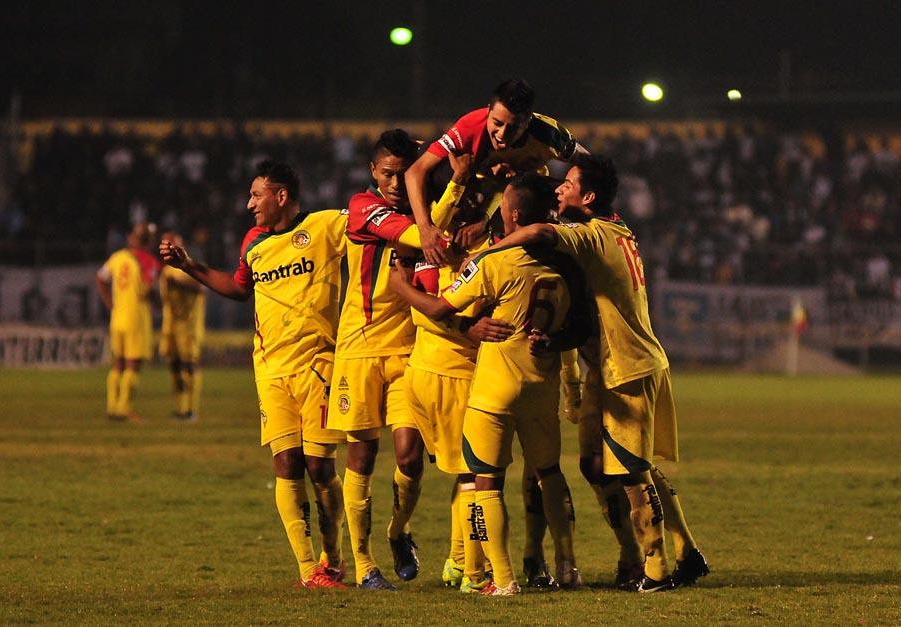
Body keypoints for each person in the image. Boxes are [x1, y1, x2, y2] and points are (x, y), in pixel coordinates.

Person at [489, 154, 709, 592]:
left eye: (567, 184)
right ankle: (685, 550)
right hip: (606, 367)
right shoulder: (616, 226)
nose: (559, 190)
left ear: (587, 197)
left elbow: (535, 230)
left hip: (628, 366)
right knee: (596, 464)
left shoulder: (592, 236)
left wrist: (483, 254)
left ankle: (657, 568)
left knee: (630, 471)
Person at [389, 173, 591, 596]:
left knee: (484, 482)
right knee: (550, 475)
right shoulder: (570, 263)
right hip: (541, 385)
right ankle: (568, 565)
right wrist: (551, 340)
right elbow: (582, 325)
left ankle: (502, 578)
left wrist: (402, 288)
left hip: (496, 388)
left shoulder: (494, 262)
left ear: (513, 214)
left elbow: (443, 308)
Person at [159, 160, 348, 589]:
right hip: (271, 370)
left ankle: (332, 555)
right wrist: (189, 264)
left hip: (319, 366)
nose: (249, 205)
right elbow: (240, 288)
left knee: (320, 468)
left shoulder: (324, 228)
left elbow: (372, 224)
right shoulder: (254, 243)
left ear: (281, 196)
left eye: (256, 195)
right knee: (286, 463)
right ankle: (307, 570)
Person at [328, 129, 465, 590]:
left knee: (409, 455)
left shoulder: (422, 211)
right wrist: (454, 189)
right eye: (387, 173)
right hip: (359, 349)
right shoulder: (363, 208)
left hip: (408, 350)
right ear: (372, 171)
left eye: (403, 175)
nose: (394, 182)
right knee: (362, 456)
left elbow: (438, 239)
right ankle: (365, 564)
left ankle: (398, 530)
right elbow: (415, 238)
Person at [404, 79, 585, 266]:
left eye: (513, 128)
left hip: (526, 193)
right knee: (438, 163)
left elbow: (594, 168)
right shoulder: (470, 126)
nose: (502, 134)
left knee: (563, 194)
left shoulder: (550, 135)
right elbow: (414, 172)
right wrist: (424, 229)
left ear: (528, 122)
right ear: (489, 110)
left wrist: (573, 191)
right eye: (497, 123)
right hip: (488, 191)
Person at [96, 222, 161, 423]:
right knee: (132, 366)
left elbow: (100, 278)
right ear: (148, 242)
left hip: (117, 318)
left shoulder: (118, 257)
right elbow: (147, 291)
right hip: (136, 319)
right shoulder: (148, 262)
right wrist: (160, 303)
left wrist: (110, 303)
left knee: (117, 365)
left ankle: (112, 407)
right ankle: (124, 408)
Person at [158, 231, 205, 422]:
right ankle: (180, 408)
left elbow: (201, 288)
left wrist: (177, 284)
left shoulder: (188, 266)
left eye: (170, 244)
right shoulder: (165, 270)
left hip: (189, 326)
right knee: (175, 367)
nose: (166, 248)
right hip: (170, 325)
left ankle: (191, 410)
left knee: (189, 367)